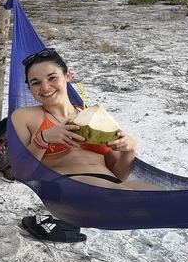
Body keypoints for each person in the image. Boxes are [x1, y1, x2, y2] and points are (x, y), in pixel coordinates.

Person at [10, 47, 162, 191]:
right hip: (66, 186)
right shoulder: (24, 116)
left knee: (164, 197)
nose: (45, 87)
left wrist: (130, 150)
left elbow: (118, 175)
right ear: (29, 88)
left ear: (68, 76)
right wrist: (43, 139)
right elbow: (22, 173)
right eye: (36, 83)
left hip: (112, 184)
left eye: (52, 78)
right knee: (127, 197)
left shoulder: (94, 116)